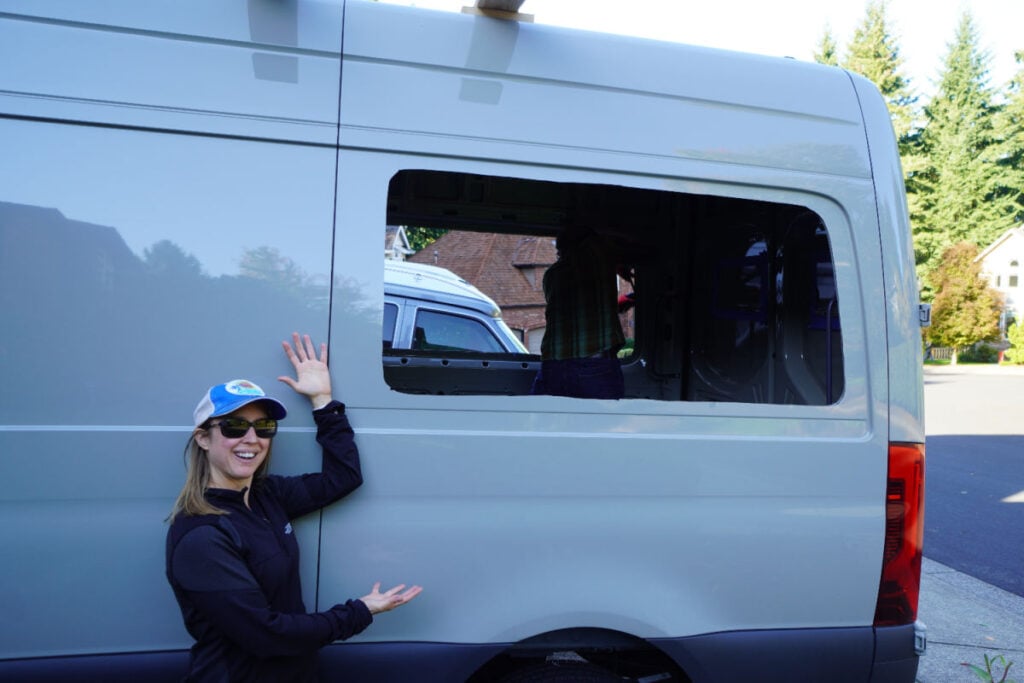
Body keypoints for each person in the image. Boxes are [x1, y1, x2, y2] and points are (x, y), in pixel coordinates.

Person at [166, 332, 422, 682]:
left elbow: (343, 477)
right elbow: (267, 636)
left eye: (264, 427)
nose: (252, 439)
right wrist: (360, 611)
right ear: (203, 437)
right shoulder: (202, 536)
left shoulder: (267, 496)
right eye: (235, 426)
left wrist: (323, 401)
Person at [531, 225, 627, 399]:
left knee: (556, 422)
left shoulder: (551, 275)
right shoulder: (599, 261)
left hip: (553, 364)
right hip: (593, 363)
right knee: (600, 423)